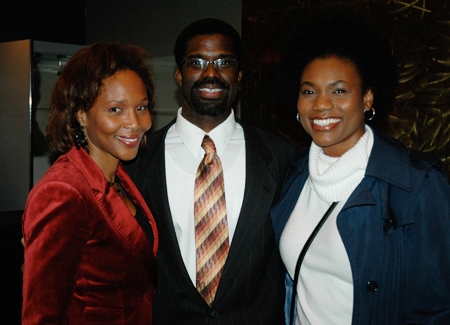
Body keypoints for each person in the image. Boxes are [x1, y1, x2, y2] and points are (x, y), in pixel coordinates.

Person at [271, 11, 450, 325]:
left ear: (367, 98)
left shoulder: (417, 184)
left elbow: (436, 310)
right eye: (309, 91)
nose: (321, 104)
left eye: (339, 90)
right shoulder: (293, 173)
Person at [125, 18, 297, 324]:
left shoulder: (282, 158)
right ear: (179, 74)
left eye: (224, 62)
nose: (211, 73)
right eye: (197, 62)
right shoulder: (137, 159)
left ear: (240, 73)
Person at [22, 42, 159, 324]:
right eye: (115, 110)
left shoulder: (121, 176)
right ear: (81, 114)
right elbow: (41, 314)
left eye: (141, 107)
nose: (135, 123)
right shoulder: (63, 192)